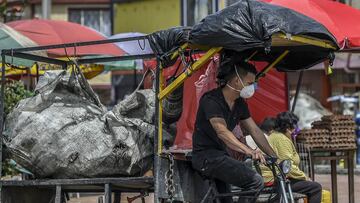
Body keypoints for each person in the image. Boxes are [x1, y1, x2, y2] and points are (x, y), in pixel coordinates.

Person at [192, 59, 277, 203]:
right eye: (250, 84)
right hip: (206, 157)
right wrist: (248, 151)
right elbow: (222, 132)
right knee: (255, 181)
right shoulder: (211, 100)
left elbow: (255, 130)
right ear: (237, 81)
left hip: (221, 156)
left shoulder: (239, 103)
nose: (253, 88)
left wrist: (274, 157)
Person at [261, 112, 322, 203]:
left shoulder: (275, 136)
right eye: (294, 126)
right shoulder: (281, 140)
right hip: (274, 181)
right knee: (315, 187)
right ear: (288, 127)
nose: (296, 129)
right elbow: (288, 166)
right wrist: (304, 177)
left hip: (276, 178)